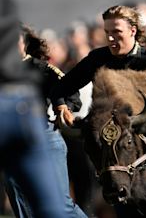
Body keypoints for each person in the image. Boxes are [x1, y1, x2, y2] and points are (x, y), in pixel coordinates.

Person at [4, 24, 88, 218]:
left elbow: (73, 95)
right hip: (13, 144)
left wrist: (62, 109)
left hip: (45, 139)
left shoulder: (42, 68)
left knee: (61, 205)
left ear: (25, 43)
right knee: (20, 201)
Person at [0, 0, 70, 217]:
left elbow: (67, 89)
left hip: (44, 132)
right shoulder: (6, 2)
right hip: (22, 116)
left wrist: (61, 105)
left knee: (59, 204)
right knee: (19, 197)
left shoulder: (42, 67)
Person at [50, 5, 146, 127]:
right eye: (107, 32)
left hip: (138, 132)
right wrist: (62, 107)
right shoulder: (98, 58)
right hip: (99, 130)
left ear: (133, 31)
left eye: (116, 32)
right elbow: (62, 87)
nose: (110, 38)